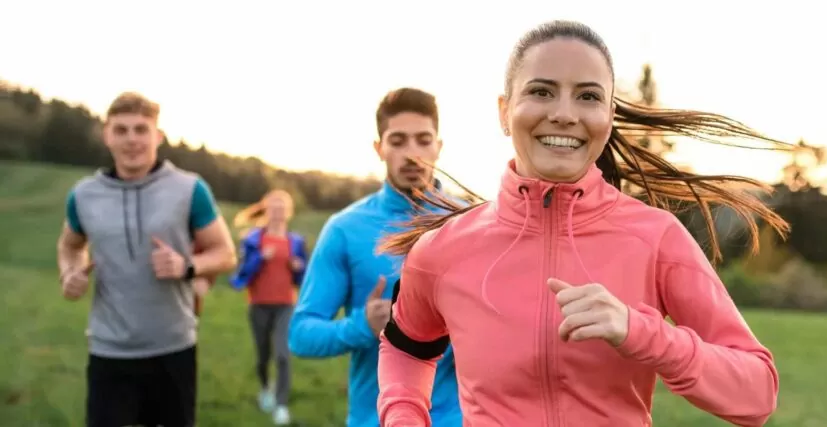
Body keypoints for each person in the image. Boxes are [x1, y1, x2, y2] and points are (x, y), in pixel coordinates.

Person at [375, 20, 793, 427]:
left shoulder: (656, 239)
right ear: (504, 111)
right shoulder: (441, 251)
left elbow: (757, 395)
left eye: (588, 97)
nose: (564, 114)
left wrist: (642, 333)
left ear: (609, 116)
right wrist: (403, 417)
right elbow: (406, 348)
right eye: (541, 91)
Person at [57, 91, 237, 427]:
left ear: (158, 136)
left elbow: (225, 253)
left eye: (141, 129)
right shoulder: (83, 195)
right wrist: (69, 273)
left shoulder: (189, 189)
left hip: (173, 349)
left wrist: (187, 266)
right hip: (108, 350)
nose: (132, 139)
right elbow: (69, 246)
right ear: (107, 135)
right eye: (121, 130)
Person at [288, 88, 463, 427]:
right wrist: (363, 326)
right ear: (379, 148)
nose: (412, 154)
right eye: (398, 141)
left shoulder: (471, 223)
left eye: (423, 140)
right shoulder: (344, 229)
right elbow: (301, 335)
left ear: (439, 146)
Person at [229, 189, 309, 425]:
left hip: (286, 304)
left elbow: (302, 278)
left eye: (282, 208)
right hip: (259, 304)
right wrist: (260, 258)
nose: (278, 212)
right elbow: (242, 273)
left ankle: (281, 405)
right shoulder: (253, 240)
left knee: (283, 354)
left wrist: (299, 267)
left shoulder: (296, 242)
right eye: (274, 208)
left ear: (289, 212)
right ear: (266, 210)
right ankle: (265, 389)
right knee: (263, 355)